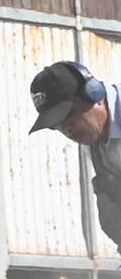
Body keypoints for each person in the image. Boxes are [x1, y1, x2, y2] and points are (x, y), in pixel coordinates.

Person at [29, 57, 121, 248]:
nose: (67, 129)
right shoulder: (94, 143)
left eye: (68, 116)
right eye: (56, 125)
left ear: (92, 94)